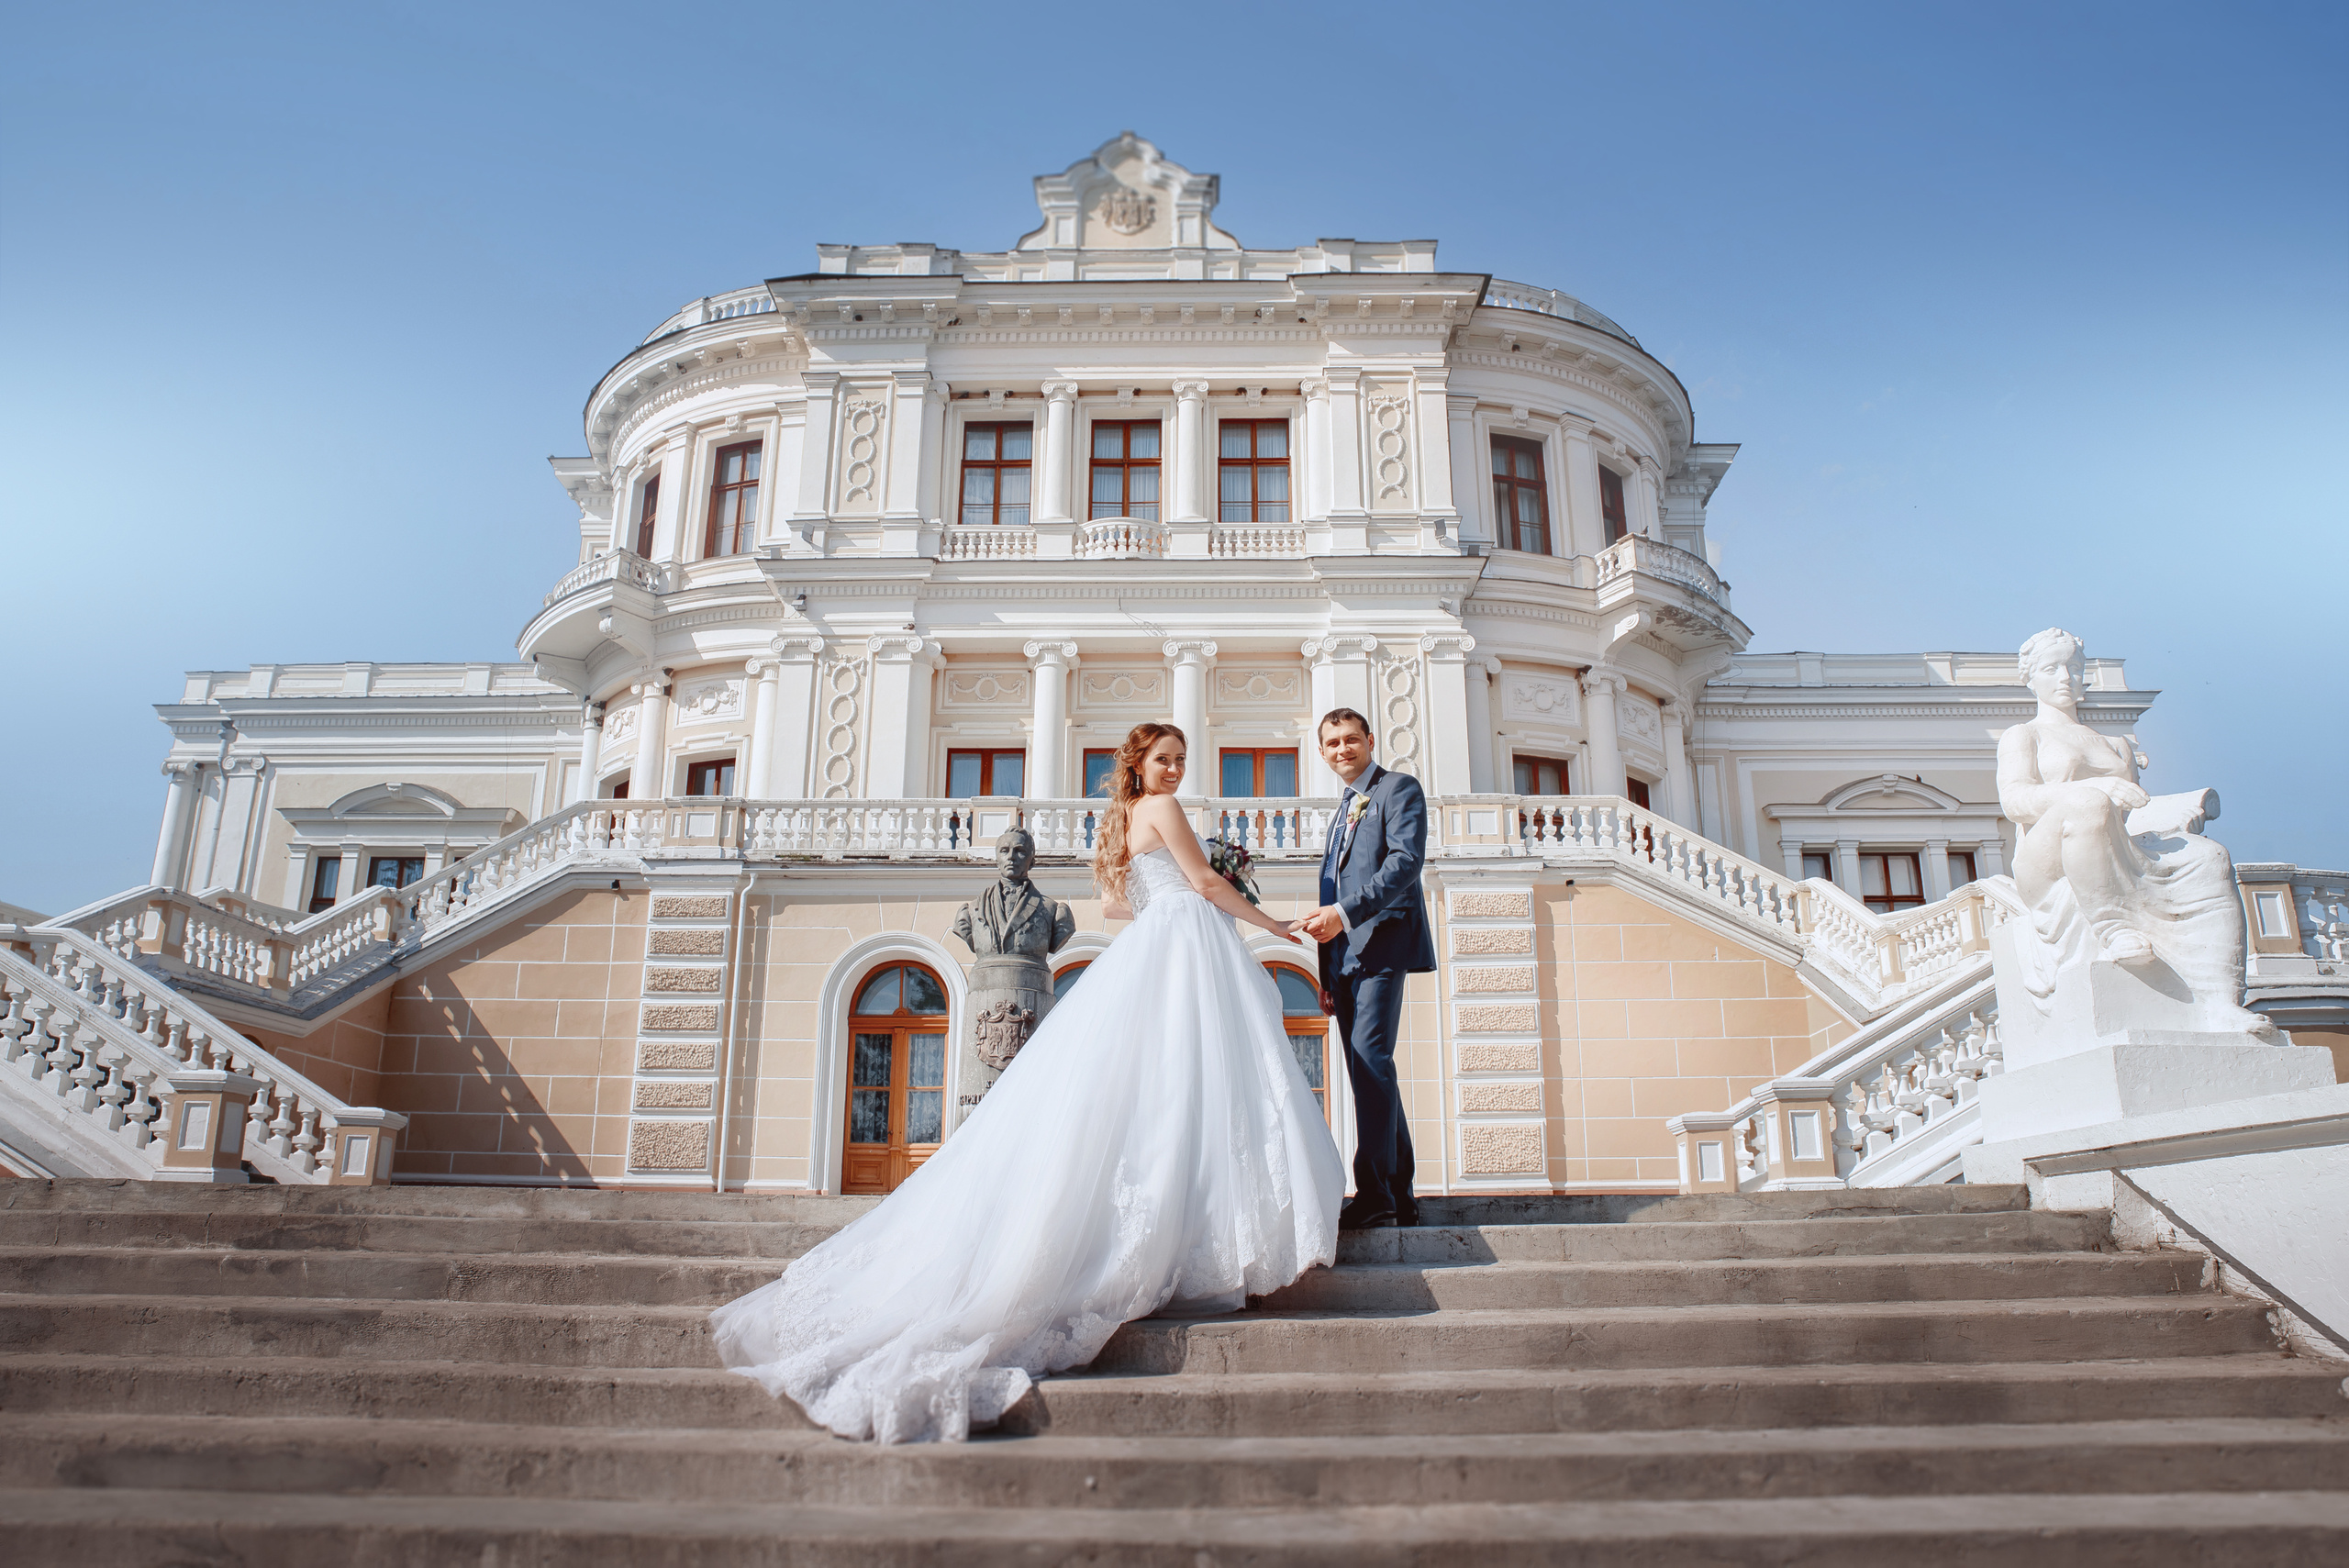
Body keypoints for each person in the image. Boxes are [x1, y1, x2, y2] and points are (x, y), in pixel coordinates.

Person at [709, 721, 1344, 1444]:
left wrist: (1185, 893)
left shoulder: (1123, 822)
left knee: (1160, 1089)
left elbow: (1117, 907)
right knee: (1192, 1086)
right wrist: (1273, 922)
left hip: (1154, 941)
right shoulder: (1165, 811)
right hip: (1186, 943)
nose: (1175, 770)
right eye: (1164, 759)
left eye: (1182, 760)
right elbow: (1200, 881)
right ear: (1139, 763)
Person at [1297, 709, 1437, 1230]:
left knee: (1369, 1058)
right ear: (1322, 751)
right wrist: (1328, 973)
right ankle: (1398, 1194)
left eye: (1350, 739)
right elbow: (1329, 891)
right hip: (1346, 957)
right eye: (1331, 743)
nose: (1341, 749)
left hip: (1382, 943)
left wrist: (1344, 917)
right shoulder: (1342, 811)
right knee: (1367, 1067)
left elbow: (1404, 864)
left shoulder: (1398, 789)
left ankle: (1375, 1191)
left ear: (1370, 741)